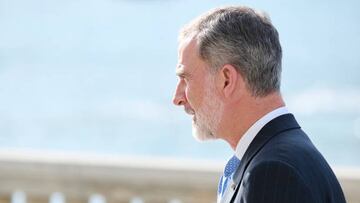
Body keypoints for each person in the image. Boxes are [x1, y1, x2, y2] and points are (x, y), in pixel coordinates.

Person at [172, 6, 346, 203]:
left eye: (185, 78)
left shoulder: (273, 172)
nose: (177, 98)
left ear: (226, 80)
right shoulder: (281, 156)